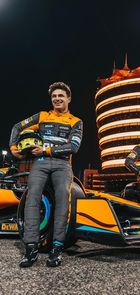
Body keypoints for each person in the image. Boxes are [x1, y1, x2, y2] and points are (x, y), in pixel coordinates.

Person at [9, 82, 83, 268]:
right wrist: (14, 149)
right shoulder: (42, 116)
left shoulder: (76, 121)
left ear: (68, 98)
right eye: (54, 96)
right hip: (40, 164)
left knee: (62, 203)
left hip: (62, 164)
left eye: (61, 96)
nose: (57, 99)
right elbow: (17, 127)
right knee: (32, 200)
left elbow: (73, 147)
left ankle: (56, 250)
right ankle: (31, 249)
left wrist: (45, 150)